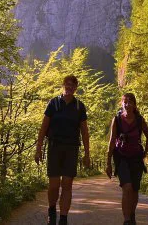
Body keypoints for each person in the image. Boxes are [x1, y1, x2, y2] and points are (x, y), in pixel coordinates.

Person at [35, 75, 91, 225]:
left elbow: (84, 132)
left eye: (72, 85)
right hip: (54, 147)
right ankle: (52, 209)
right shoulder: (53, 103)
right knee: (54, 185)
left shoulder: (79, 106)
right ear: (63, 85)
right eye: (67, 84)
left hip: (71, 149)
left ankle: (63, 219)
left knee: (67, 184)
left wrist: (87, 154)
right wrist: (38, 148)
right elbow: (43, 127)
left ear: (76, 88)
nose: (69, 87)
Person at [105, 93, 148, 225]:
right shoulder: (117, 119)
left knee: (135, 189)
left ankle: (131, 214)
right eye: (125, 102)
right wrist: (108, 163)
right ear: (122, 103)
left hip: (136, 157)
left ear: (135, 105)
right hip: (121, 157)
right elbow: (112, 141)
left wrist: (145, 153)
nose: (127, 104)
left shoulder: (139, 120)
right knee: (127, 187)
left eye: (130, 102)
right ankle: (126, 220)